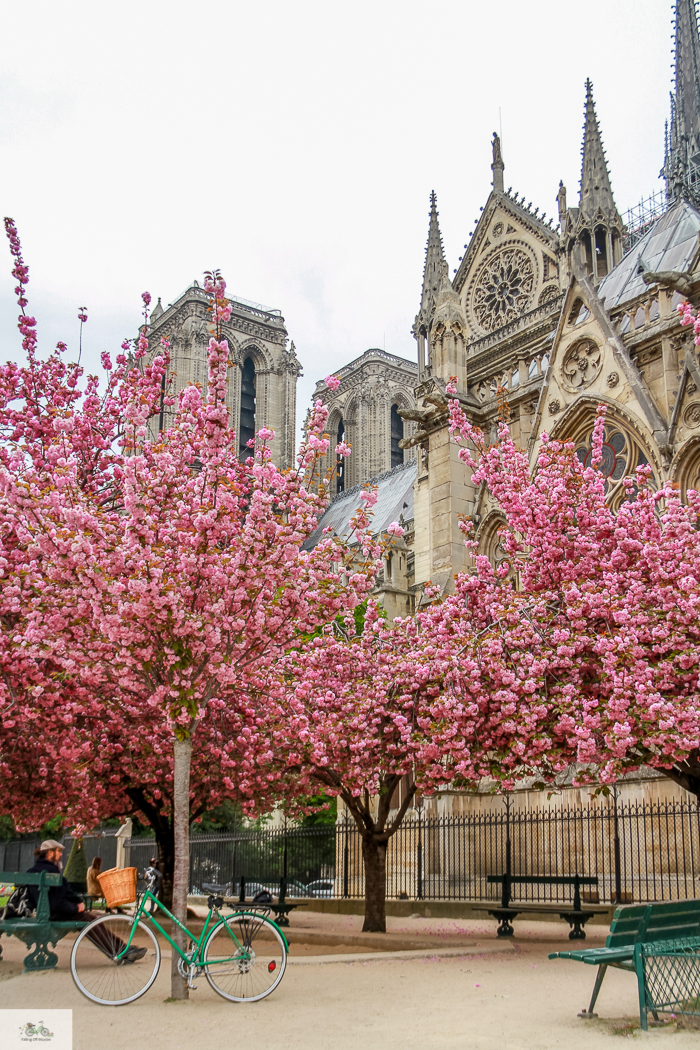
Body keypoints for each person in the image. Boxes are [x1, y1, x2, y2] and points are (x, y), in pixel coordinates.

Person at [27, 840, 145, 962]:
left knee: (94, 920)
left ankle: (122, 949)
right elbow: (56, 902)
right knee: (91, 923)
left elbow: (61, 895)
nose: (61, 854)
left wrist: (76, 902)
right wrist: (75, 908)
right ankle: (119, 952)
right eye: (58, 851)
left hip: (48, 913)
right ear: (50, 853)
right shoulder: (51, 872)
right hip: (57, 914)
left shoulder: (33, 871)